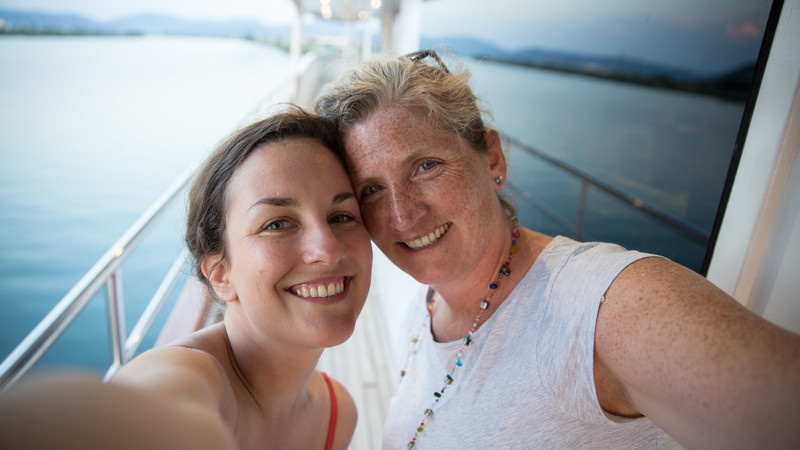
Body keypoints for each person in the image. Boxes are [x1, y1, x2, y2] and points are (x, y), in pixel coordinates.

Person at [314, 50, 800, 449]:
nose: (402, 215)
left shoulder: (600, 307)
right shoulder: (424, 315)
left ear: (492, 157)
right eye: (371, 190)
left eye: (425, 167)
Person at [0, 106, 373, 449]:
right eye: (277, 224)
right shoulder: (191, 379)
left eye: (342, 216)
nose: (327, 248)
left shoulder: (338, 414)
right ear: (220, 275)